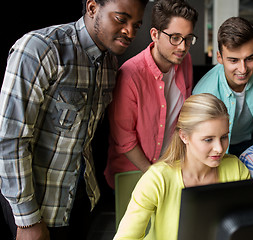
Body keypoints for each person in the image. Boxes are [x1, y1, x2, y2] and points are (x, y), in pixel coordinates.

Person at [0, 0, 147, 239]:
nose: (130, 31)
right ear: (92, 8)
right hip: (36, 210)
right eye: (121, 19)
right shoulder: (41, 48)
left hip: (81, 201)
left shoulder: (110, 64)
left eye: (136, 25)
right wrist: (28, 220)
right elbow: (10, 140)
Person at [113, 93, 250, 240]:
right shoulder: (157, 179)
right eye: (208, 139)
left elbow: (248, 229)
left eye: (223, 137)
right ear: (184, 136)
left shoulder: (236, 169)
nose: (219, 148)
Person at [104, 0, 198, 189]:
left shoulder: (185, 61)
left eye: (188, 38)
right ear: (155, 34)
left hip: (169, 168)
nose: (182, 47)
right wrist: (153, 175)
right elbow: (124, 140)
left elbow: (183, 116)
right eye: (175, 37)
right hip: (133, 174)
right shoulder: (130, 75)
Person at [193, 16, 253, 157]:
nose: (243, 69)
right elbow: (202, 144)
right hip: (220, 149)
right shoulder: (203, 93)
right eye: (233, 60)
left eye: (250, 58)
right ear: (219, 57)